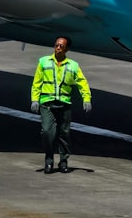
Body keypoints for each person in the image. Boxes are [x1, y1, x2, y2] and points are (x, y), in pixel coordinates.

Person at [30, 36, 92, 173]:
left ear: (67, 49)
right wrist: (35, 99)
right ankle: (49, 159)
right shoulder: (44, 62)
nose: (58, 48)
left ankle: (63, 161)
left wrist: (86, 99)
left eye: (61, 46)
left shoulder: (73, 66)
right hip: (47, 104)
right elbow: (37, 83)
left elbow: (83, 83)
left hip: (64, 105)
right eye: (56, 45)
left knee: (64, 134)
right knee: (47, 132)